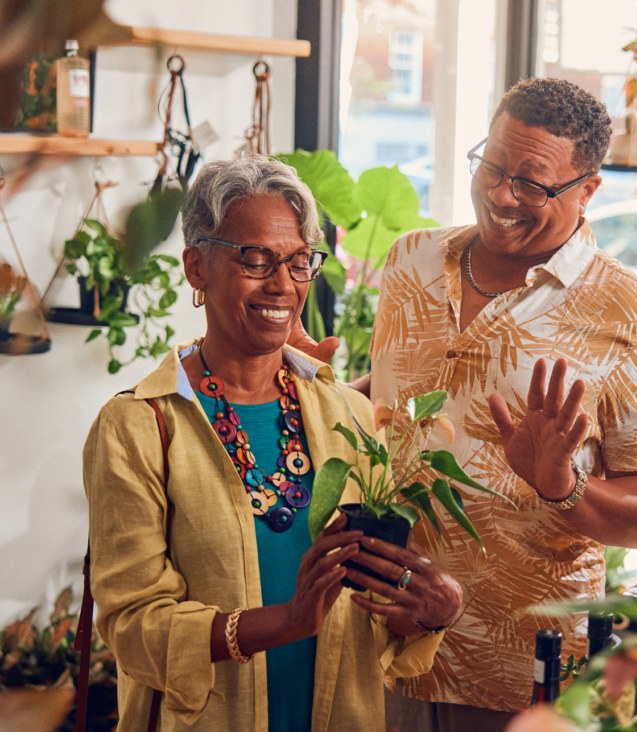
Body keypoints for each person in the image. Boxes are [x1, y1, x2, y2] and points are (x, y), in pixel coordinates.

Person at [83, 154, 462, 732]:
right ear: (196, 267)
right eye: (255, 260)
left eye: (298, 262)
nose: (283, 285)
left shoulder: (350, 416)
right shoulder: (139, 427)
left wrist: (428, 613)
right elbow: (134, 628)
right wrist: (285, 622)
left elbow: (372, 613)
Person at [361, 77, 637, 730]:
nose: (501, 194)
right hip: (376, 649)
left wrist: (564, 486)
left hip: (520, 680)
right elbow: (398, 401)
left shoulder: (636, 314)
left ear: (588, 188)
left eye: (533, 184)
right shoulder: (410, 261)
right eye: (493, 166)